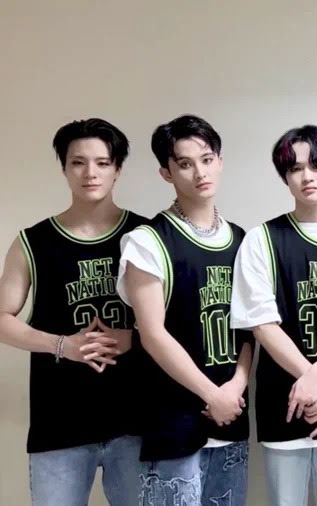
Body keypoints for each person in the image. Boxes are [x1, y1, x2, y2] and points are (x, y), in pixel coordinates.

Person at [0, 118, 146, 506]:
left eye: (102, 162)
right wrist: (63, 345)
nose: (90, 173)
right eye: (78, 162)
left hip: (137, 422)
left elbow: (180, 319)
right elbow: (2, 320)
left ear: (118, 169)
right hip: (59, 425)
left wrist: (133, 338)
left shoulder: (146, 236)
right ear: (64, 168)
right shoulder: (33, 242)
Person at [231, 125, 317, 506]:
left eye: (316, 165)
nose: (307, 176)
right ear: (285, 177)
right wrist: (308, 378)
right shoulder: (262, 239)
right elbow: (262, 324)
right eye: (295, 168)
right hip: (283, 399)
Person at [119, 114, 252, 505]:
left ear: (220, 162)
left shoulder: (242, 240)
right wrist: (212, 395)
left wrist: (235, 388)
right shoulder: (147, 242)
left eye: (207, 160)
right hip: (173, 420)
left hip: (231, 416)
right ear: (167, 172)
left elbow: (249, 329)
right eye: (185, 163)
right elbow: (152, 335)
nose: (200, 172)